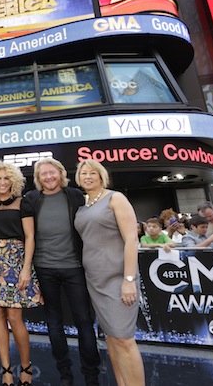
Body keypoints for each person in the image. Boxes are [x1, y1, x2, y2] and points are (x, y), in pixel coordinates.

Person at [20, 157, 101, 386]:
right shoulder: (31, 199)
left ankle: (91, 375)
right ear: (38, 178)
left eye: (52, 172)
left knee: (84, 321)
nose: (48, 177)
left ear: (60, 173)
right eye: (43, 174)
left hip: (74, 267)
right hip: (45, 269)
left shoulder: (75, 195)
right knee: (53, 322)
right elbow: (29, 235)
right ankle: (65, 374)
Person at [74, 159, 145, 386]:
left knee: (124, 339)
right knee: (112, 339)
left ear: (101, 176)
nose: (88, 176)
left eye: (92, 173)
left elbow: (132, 240)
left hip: (118, 279)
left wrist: (129, 279)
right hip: (94, 280)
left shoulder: (115, 198)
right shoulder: (84, 206)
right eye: (83, 173)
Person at [0, 160, 43, 386]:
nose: (2, 182)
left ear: (14, 180)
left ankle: (26, 367)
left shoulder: (24, 203)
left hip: (17, 260)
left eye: (6, 178)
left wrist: (25, 269)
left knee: (14, 316)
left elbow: (30, 236)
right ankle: (5, 370)